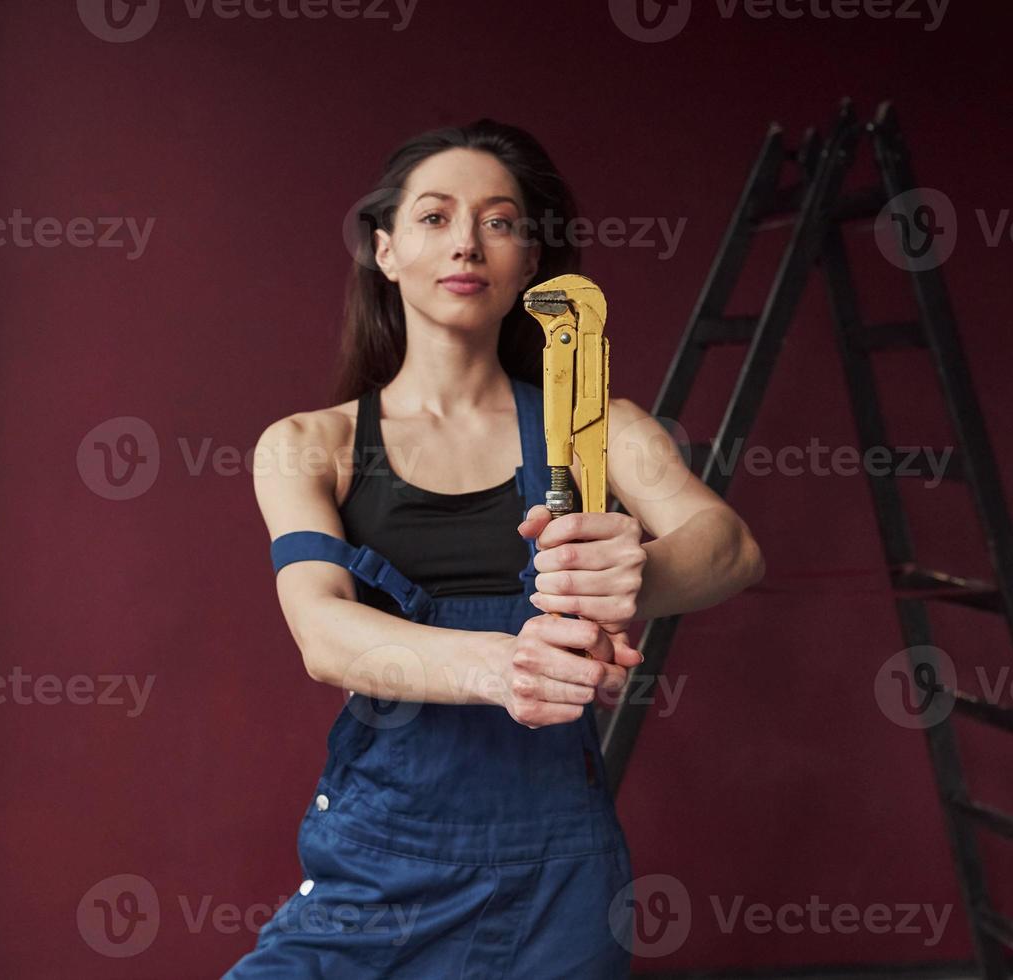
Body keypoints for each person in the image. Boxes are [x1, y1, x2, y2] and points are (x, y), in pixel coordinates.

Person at [226, 118, 765, 978]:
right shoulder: (307, 443)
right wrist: (506, 667)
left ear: (530, 261)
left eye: (501, 221)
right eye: (435, 217)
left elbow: (729, 548)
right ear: (385, 249)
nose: (467, 243)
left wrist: (633, 575)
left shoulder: (594, 428)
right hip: (377, 862)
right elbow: (322, 632)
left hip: (560, 877)